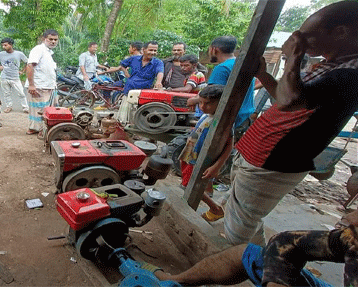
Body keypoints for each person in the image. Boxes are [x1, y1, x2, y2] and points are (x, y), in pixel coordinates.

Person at [224, 0, 358, 246]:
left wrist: (293, 55)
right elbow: (289, 98)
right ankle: (250, 262)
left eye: (308, 36)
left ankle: (239, 272)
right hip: (259, 157)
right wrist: (264, 75)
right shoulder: (332, 66)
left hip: (273, 161)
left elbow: (289, 100)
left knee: (237, 231)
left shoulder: (350, 73)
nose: (300, 39)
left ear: (340, 32)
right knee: (244, 219)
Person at [151, 209, 358, 287]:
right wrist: (277, 284)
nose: (349, 217)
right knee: (247, 254)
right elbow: (285, 243)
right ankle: (175, 281)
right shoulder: (354, 237)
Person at [178, 85, 231, 222]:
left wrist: (217, 166)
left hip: (200, 159)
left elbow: (230, 145)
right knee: (188, 180)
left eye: (208, 103)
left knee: (192, 183)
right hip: (191, 154)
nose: (202, 106)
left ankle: (215, 209)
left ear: (221, 103)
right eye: (200, 102)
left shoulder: (224, 121)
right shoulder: (207, 115)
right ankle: (191, 193)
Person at [25, 29, 59, 135]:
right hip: (39, 86)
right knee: (39, 109)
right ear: (44, 39)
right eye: (50, 39)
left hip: (49, 86)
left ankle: (42, 129)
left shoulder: (48, 52)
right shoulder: (38, 49)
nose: (53, 41)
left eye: (55, 39)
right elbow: (30, 65)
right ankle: (37, 129)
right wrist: (31, 85)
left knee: (48, 109)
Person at [0, 37, 29, 114]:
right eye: (2, 45)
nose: (3, 47)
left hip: (15, 78)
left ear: (10, 45)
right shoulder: (1, 54)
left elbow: (27, 62)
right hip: (4, 77)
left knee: (21, 93)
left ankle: (25, 107)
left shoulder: (19, 54)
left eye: (5, 45)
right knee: (6, 93)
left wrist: (22, 71)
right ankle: (9, 106)